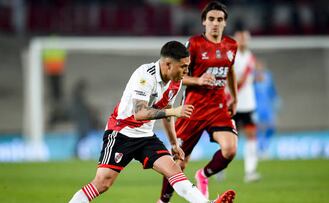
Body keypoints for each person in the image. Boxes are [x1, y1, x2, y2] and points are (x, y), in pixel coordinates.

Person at [68, 41, 236, 203]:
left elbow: (167, 114)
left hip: (146, 137)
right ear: (168, 64)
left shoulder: (175, 82)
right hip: (121, 133)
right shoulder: (145, 75)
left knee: (173, 170)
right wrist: (174, 111)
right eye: (184, 66)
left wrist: (174, 143)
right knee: (103, 183)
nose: (187, 70)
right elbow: (140, 113)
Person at [158, 2, 238, 202]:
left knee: (230, 148)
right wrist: (199, 80)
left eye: (219, 19)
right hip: (193, 108)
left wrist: (234, 97)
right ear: (204, 22)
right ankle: (163, 200)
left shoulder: (231, 45)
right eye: (211, 19)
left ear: (225, 23)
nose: (215, 23)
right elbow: (177, 76)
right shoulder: (194, 44)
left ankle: (203, 175)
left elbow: (230, 71)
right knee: (179, 162)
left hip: (218, 107)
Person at [231, 29, 261, 183]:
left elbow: (254, 78)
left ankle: (250, 171)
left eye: (245, 37)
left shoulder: (249, 56)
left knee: (251, 136)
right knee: (228, 139)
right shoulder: (231, 56)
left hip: (248, 104)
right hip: (233, 103)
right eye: (240, 37)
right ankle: (219, 169)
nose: (243, 40)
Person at [254, 60, 280, 158]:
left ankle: (265, 146)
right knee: (258, 129)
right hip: (256, 108)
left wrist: (276, 100)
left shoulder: (268, 76)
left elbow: (272, 90)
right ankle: (260, 149)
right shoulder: (252, 78)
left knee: (272, 127)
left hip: (267, 107)